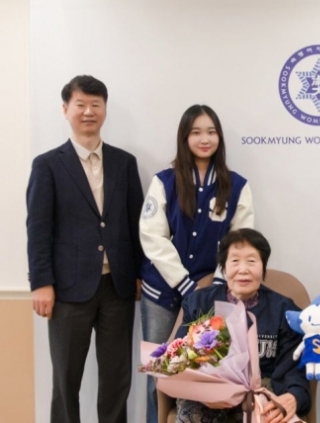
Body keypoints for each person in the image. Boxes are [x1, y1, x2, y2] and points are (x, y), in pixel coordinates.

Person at [27, 75, 144, 423]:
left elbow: (134, 222)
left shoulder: (124, 162)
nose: (88, 111)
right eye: (80, 104)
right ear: (66, 110)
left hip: (117, 288)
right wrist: (41, 282)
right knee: (66, 381)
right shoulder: (47, 164)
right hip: (66, 291)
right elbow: (38, 228)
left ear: (105, 110)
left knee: (116, 380)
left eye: (95, 104)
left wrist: (137, 273)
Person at [139, 104, 254, 422]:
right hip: (161, 292)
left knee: (205, 368)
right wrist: (183, 282)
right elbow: (152, 236)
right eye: (196, 132)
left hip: (211, 292)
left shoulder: (236, 185)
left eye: (211, 131)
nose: (205, 138)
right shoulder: (165, 181)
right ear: (184, 137)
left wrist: (217, 282)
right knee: (159, 372)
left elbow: (240, 240)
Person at [175, 228, 311, 422]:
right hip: (205, 394)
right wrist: (202, 391)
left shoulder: (283, 309)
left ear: (263, 266)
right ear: (223, 267)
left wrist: (293, 396)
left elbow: (292, 366)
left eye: (251, 261)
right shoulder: (199, 303)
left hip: (260, 391)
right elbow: (178, 358)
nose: (243, 269)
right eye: (235, 261)